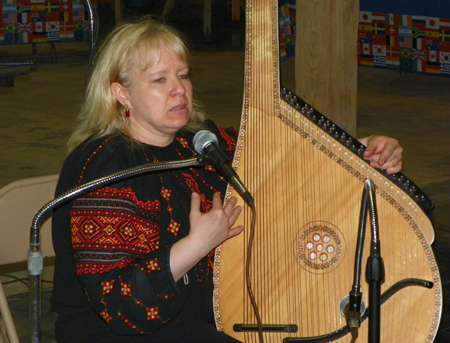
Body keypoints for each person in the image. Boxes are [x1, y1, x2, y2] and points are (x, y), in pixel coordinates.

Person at [51, 17, 403, 343]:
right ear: (121, 93)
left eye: (183, 75)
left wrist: (366, 151)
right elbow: (120, 306)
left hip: (213, 318)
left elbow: (292, 164)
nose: (179, 90)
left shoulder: (202, 142)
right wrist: (197, 244)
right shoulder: (105, 166)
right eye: (160, 80)